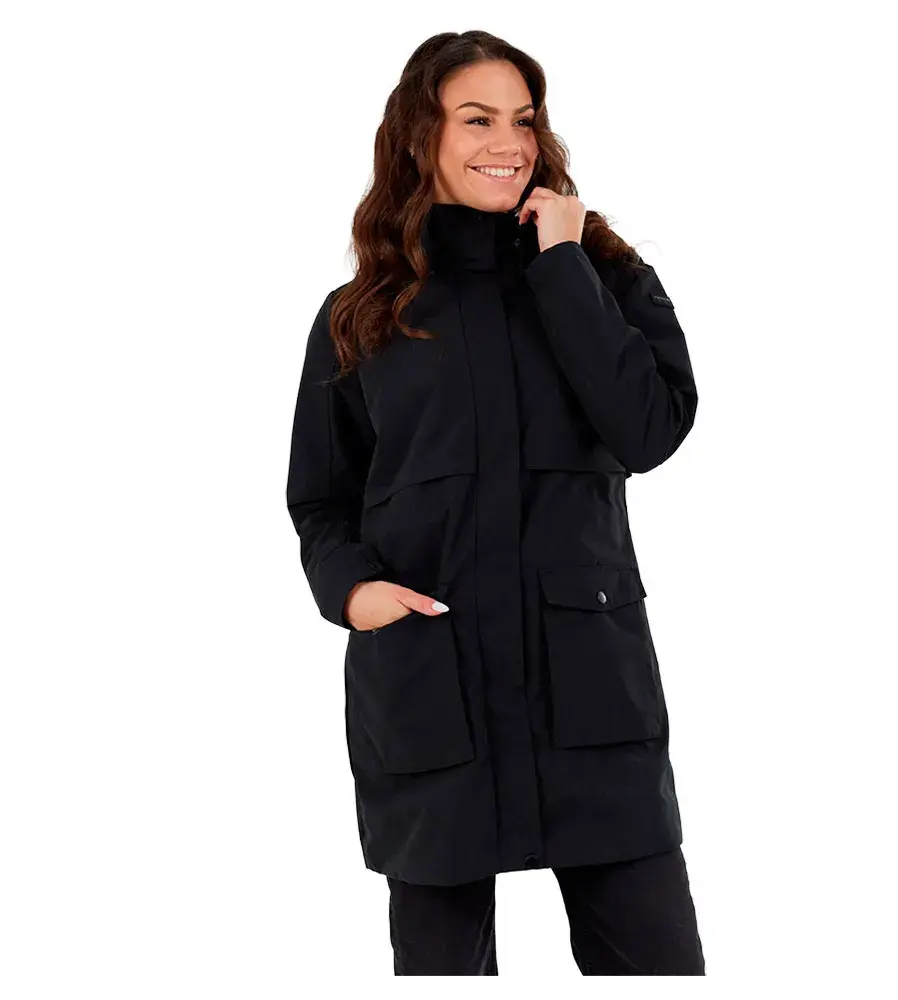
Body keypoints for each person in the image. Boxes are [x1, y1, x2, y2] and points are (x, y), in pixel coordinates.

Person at [285, 30, 705, 975]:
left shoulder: (604, 278)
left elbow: (650, 430)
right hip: (432, 686)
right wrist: (354, 593)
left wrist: (561, 265)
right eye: (477, 119)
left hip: (588, 687)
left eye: (523, 119)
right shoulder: (362, 314)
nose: (508, 142)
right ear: (420, 136)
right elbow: (319, 497)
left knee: (657, 964)